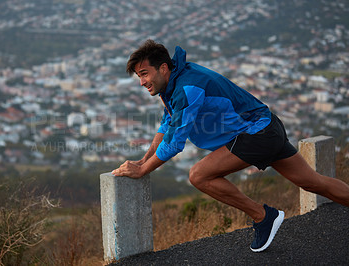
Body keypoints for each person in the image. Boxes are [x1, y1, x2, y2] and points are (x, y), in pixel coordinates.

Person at [112, 39, 349, 252]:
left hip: (257, 134)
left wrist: (143, 170)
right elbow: (167, 124)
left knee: (199, 175)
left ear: (163, 68)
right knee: (314, 182)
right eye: (138, 76)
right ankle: (265, 217)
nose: (142, 82)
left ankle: (263, 217)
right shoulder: (175, 81)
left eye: (144, 74)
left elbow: (174, 143)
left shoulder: (187, 88)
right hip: (267, 126)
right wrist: (143, 160)